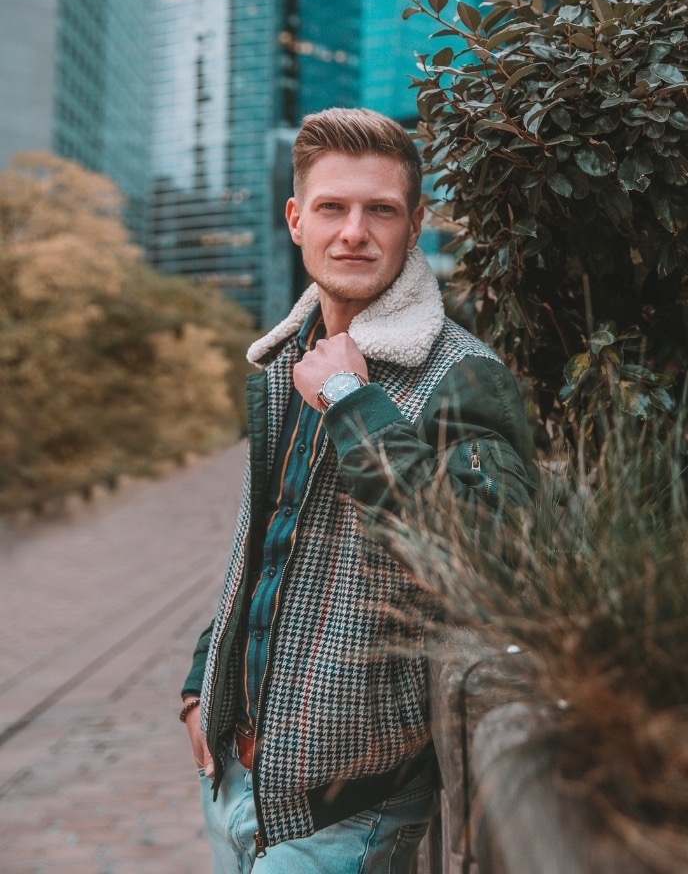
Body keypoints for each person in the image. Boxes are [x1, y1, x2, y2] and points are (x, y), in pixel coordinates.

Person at [181, 107, 538, 873]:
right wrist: (200, 679)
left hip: (349, 810)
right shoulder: (285, 360)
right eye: (332, 208)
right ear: (296, 220)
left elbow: (490, 560)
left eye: (380, 210)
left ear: (415, 226)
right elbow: (264, 545)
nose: (353, 232)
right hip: (233, 777)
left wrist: (351, 402)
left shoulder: (463, 375)